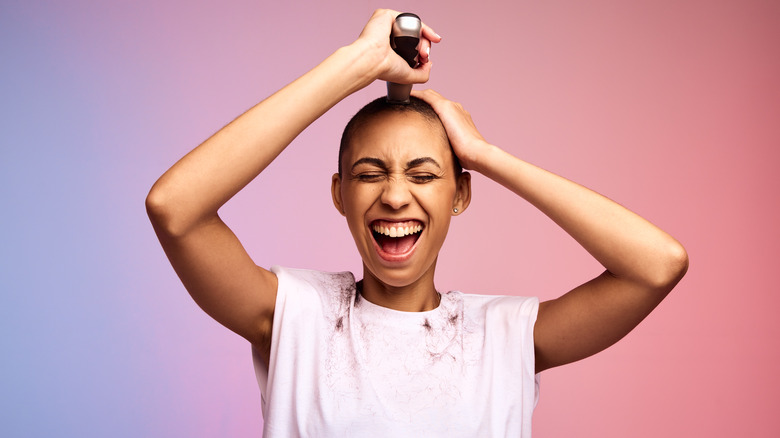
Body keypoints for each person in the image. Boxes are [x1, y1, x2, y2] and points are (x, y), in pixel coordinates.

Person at [146, 9, 688, 437]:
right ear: (340, 194)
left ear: (461, 193)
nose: (395, 196)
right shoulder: (296, 316)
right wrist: (355, 64)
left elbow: (657, 265)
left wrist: (484, 153)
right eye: (369, 173)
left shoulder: (502, 337)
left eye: (424, 175)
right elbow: (175, 208)